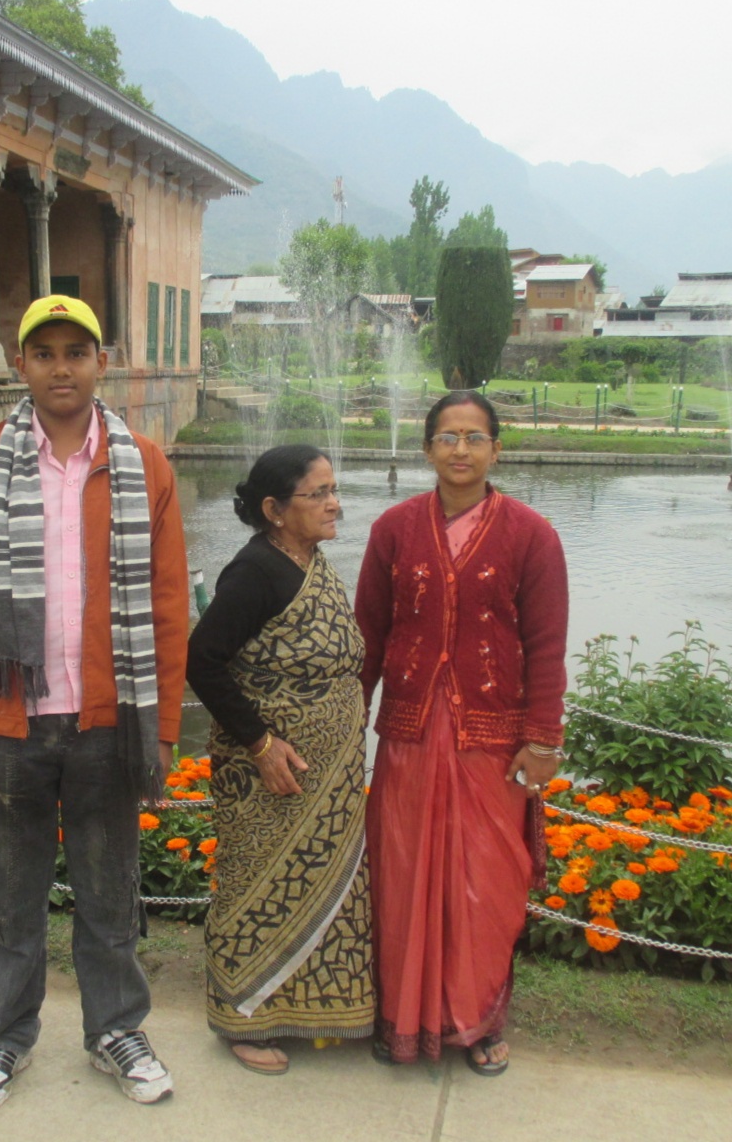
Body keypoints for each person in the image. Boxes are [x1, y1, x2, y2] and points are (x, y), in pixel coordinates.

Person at [0, 294, 189, 1111]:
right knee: (11, 897)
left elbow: (168, 605)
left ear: (100, 362)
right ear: (21, 366)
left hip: (108, 721)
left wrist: (162, 729)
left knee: (109, 892)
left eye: (75, 352)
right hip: (11, 724)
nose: (60, 368)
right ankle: (4, 1037)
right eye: (42, 352)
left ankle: (116, 1028)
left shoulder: (142, 464)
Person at [356, 390, 568, 1076]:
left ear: (497, 450)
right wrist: (347, 716)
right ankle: (403, 1018)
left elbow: (546, 645)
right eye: (446, 437)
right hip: (411, 734)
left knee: (485, 882)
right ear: (426, 450)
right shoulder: (393, 528)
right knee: (404, 874)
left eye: (475, 438)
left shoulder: (531, 535)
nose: (460, 450)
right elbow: (369, 633)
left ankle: (475, 1021)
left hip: (491, 738)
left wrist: (542, 739)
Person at [185, 445, 376, 1075]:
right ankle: (245, 1013)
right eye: (317, 493)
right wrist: (260, 743)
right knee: (256, 892)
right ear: (273, 509)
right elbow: (203, 661)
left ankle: (316, 1008)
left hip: (329, 773)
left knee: (325, 889)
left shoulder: (308, 559)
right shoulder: (255, 572)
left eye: (333, 489)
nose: (333, 503)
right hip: (270, 775)